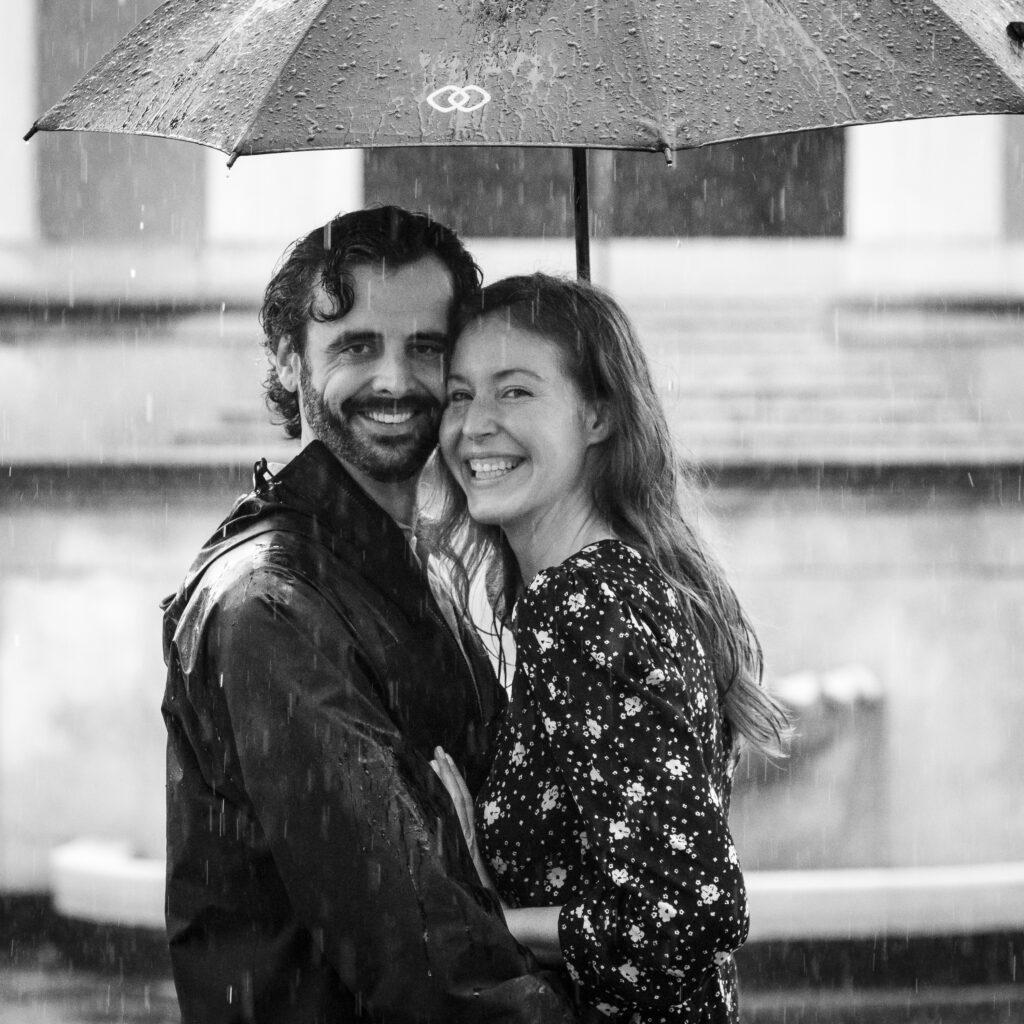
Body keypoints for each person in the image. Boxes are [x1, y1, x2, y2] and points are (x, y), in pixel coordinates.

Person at [160, 209, 576, 1024]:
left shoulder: (418, 567)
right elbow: (423, 961)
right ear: (288, 362)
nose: (395, 381)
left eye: (425, 347)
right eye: (355, 347)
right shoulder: (270, 608)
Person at [430, 274, 789, 1023]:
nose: (474, 425)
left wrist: (487, 915)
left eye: (515, 392)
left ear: (598, 414)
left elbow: (682, 912)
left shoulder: (584, 604)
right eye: (459, 395)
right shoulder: (627, 583)